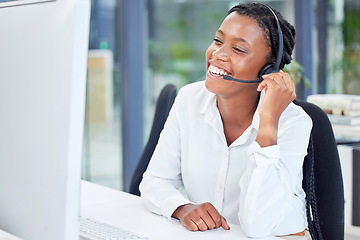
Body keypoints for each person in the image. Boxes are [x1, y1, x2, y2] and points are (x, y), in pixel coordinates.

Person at [140, 2, 313, 239]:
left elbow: (258, 226)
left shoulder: (293, 123)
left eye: (239, 50)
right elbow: (154, 181)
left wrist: (268, 122)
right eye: (218, 41)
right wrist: (182, 208)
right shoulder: (190, 99)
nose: (218, 54)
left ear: (268, 70)